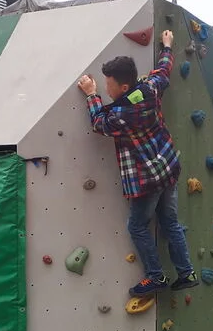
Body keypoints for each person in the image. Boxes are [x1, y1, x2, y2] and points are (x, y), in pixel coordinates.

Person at [79, 29, 198, 297]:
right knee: (170, 222)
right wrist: (167, 46)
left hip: (148, 181)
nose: (106, 88)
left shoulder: (122, 113)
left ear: (123, 88)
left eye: (108, 84)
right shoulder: (149, 89)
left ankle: (155, 276)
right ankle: (186, 271)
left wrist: (91, 94)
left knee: (137, 226)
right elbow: (164, 71)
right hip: (168, 169)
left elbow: (99, 123)